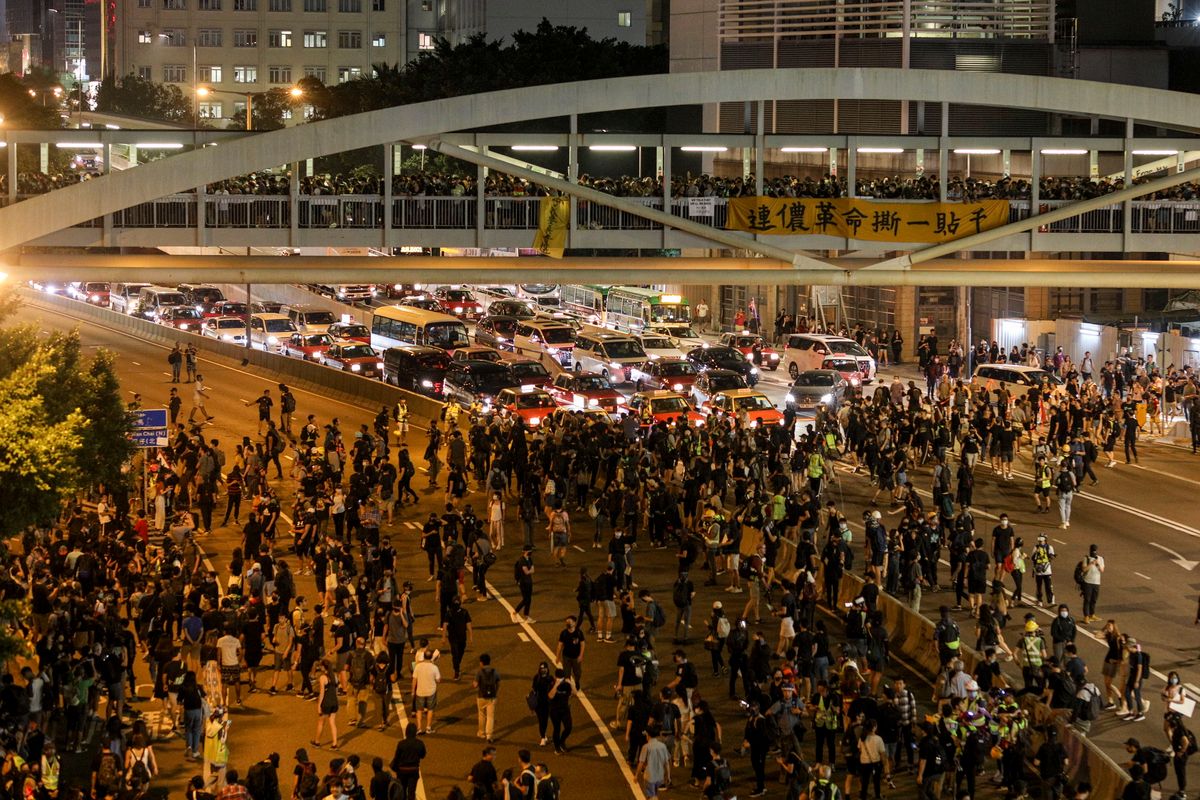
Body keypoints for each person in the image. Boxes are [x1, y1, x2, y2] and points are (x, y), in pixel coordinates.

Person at [390, 723, 426, 800]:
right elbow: (423, 755)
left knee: (402, 790)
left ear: (406, 732)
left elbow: (397, 757)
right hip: (413, 770)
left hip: (402, 771)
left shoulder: (401, 744)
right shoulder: (419, 743)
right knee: (411, 792)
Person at [637, 723, 672, 800]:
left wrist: (636, 775)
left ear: (648, 735)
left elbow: (641, 762)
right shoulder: (662, 746)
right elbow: (667, 762)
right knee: (654, 793)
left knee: (652, 796)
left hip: (649, 776)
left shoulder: (646, 747)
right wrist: (668, 776)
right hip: (660, 776)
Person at [313, 659, 341, 749]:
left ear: (323, 667)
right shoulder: (335, 676)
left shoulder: (323, 678)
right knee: (332, 722)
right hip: (334, 702)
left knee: (321, 722)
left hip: (326, 703)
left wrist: (319, 705)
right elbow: (336, 690)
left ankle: (317, 742)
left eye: (321, 666)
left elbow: (322, 693)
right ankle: (334, 743)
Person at [412, 650, 441, 734]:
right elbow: (438, 680)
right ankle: (428, 727)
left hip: (420, 691)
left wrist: (413, 691)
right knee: (430, 709)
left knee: (419, 710)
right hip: (431, 691)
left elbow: (414, 680)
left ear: (424, 656)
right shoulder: (434, 667)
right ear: (431, 656)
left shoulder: (418, 667)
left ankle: (419, 727)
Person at [473, 653, 500, 744]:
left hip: (481, 696)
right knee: (490, 716)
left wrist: (474, 684)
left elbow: (475, 685)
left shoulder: (479, 672)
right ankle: (489, 735)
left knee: (481, 715)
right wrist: (495, 692)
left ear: (481, 663)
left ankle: (481, 733)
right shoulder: (494, 671)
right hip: (492, 697)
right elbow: (498, 683)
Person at [1124, 637, 1151, 722]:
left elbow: (1139, 669)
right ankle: (1131, 711)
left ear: (1131, 646)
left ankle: (1140, 713)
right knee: (1127, 693)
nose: (1126, 648)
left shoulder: (1138, 656)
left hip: (1137, 678)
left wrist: (1136, 681)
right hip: (1131, 677)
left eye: (1128, 646)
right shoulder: (1131, 653)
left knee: (1137, 695)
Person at [1080, 544, 1105, 623]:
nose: (1094, 553)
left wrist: (1097, 564)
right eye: (1092, 551)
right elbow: (1084, 569)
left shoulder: (1100, 559)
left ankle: (1092, 614)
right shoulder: (1086, 558)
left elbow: (1102, 570)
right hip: (1088, 582)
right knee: (1087, 599)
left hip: (1096, 582)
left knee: (1094, 599)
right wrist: (1091, 564)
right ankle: (1086, 616)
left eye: (1095, 551)